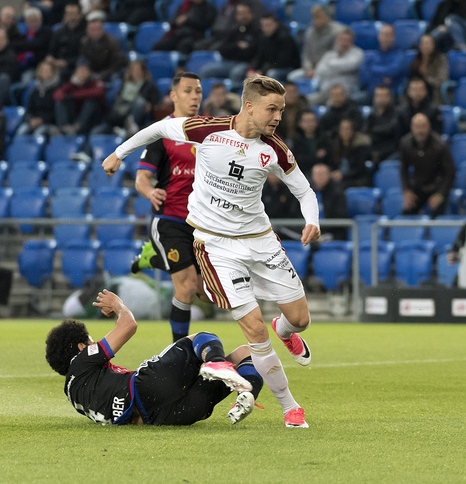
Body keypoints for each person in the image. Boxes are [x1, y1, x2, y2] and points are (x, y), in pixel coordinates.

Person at [103, 75, 321, 429]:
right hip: (217, 246)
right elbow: (158, 128)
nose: (278, 116)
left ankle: (285, 330)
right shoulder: (207, 130)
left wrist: (312, 219)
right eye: (272, 109)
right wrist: (118, 153)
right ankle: (290, 407)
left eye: (281, 109)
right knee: (254, 330)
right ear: (248, 105)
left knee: (300, 319)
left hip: (261, 241)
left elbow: (305, 191)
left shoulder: (275, 148)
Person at [45, 290, 263, 426]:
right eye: (91, 341)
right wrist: (119, 306)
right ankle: (217, 362)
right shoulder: (82, 361)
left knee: (245, 353)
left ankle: (246, 396)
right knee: (201, 338)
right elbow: (128, 326)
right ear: (81, 347)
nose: (95, 345)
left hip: (162, 418)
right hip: (148, 387)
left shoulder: (72, 395)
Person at [130, 72, 204, 342]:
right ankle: (179, 352)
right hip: (170, 220)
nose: (195, 96)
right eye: (188, 91)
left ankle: (156, 259)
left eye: (198, 90)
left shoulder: (208, 130)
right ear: (173, 96)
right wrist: (150, 192)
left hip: (202, 223)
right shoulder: (161, 132)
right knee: (185, 287)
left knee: (206, 293)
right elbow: (141, 178)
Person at [399, 112, 456, 217]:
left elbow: (450, 172)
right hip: (419, 186)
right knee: (406, 213)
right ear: (412, 127)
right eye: (417, 127)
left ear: (429, 127)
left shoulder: (440, 145)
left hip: (438, 186)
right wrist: (406, 190)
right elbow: (403, 169)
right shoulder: (405, 143)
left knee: (438, 214)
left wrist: (440, 194)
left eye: (423, 127)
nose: (420, 131)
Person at [94, 59, 160, 135]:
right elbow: (115, 103)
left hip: (137, 120)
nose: (136, 72)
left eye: (138, 69)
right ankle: (123, 130)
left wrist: (151, 106)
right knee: (95, 132)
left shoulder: (149, 85)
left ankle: (128, 128)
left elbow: (155, 103)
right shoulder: (123, 85)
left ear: (143, 71)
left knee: (140, 102)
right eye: (134, 69)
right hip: (118, 118)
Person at [153, 0, 217, 55]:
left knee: (184, 45)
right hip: (179, 33)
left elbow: (206, 24)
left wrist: (188, 20)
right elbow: (173, 21)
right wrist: (178, 21)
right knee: (159, 46)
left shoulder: (209, 8)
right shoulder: (184, 6)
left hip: (195, 36)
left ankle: (182, 66)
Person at [199, 3, 259, 83]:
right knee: (205, 71)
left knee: (236, 73)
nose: (242, 16)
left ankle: (235, 95)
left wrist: (235, 50)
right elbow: (222, 49)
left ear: (250, 14)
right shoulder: (234, 31)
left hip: (246, 64)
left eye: (244, 13)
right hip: (229, 63)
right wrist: (237, 45)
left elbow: (252, 52)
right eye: (239, 14)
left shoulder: (257, 31)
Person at [288, 5, 343, 85]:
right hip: (311, 70)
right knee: (292, 78)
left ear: (327, 16)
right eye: (315, 17)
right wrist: (308, 68)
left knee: (316, 81)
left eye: (320, 17)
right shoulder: (309, 32)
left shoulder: (337, 31)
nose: (317, 20)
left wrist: (318, 70)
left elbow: (335, 55)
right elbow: (306, 54)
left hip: (328, 70)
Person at [54, 63, 106, 135]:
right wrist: (70, 87)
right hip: (75, 115)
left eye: (84, 70)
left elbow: (99, 92)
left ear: (89, 72)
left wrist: (75, 95)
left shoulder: (95, 81)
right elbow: (57, 95)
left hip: (94, 118)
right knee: (61, 102)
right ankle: (63, 128)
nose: (82, 73)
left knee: (90, 102)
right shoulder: (72, 83)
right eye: (80, 70)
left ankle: (77, 127)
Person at [247, 13, 301, 82]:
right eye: (263, 26)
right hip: (271, 67)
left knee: (271, 74)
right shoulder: (263, 38)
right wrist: (251, 69)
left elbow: (283, 61)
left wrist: (263, 71)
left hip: (289, 68)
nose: (266, 28)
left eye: (268, 25)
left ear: (276, 24)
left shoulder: (284, 37)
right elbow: (259, 56)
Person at [314, 28, 364, 101]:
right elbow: (319, 71)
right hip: (325, 91)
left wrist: (330, 65)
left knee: (332, 103)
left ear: (351, 42)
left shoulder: (357, 53)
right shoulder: (329, 54)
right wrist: (340, 70)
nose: (343, 43)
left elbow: (350, 65)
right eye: (340, 39)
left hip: (345, 93)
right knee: (308, 100)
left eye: (346, 40)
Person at [79, 11, 128, 81]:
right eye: (93, 30)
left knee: (115, 78)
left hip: (110, 71)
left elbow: (116, 64)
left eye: (98, 29)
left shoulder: (112, 42)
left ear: (102, 30)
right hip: (92, 72)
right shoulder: (84, 42)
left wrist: (102, 75)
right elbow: (83, 59)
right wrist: (85, 71)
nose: (96, 32)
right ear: (87, 31)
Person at [16, 61, 60, 136]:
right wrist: (30, 120)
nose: (45, 72)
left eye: (48, 70)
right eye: (43, 70)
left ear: (53, 72)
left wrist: (42, 120)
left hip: (48, 123)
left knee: (38, 133)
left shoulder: (57, 89)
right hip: (33, 121)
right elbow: (29, 109)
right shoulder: (35, 89)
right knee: (21, 131)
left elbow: (56, 112)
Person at [359, 23, 406, 92]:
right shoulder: (371, 56)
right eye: (383, 35)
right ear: (379, 37)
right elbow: (364, 75)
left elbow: (393, 70)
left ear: (393, 37)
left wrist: (374, 71)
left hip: (392, 93)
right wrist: (382, 78)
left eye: (388, 35)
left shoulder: (399, 55)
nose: (386, 38)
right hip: (372, 92)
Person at [45, 2, 86, 81]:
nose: (70, 17)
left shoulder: (84, 32)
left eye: (73, 13)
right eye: (68, 14)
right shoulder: (59, 32)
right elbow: (51, 50)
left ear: (79, 15)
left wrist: (67, 62)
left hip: (75, 65)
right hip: (58, 63)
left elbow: (84, 55)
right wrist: (50, 57)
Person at [328, 118, 373, 188]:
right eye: (342, 129)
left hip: (356, 180)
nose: (345, 132)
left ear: (353, 131)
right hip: (340, 178)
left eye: (347, 129)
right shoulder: (335, 146)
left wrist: (343, 175)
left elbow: (359, 169)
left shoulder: (360, 147)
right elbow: (332, 164)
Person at [309, 162, 349, 240]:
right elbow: (295, 213)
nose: (320, 177)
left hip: (329, 232)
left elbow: (340, 216)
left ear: (329, 175)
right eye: (317, 174)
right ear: (312, 176)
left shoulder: (337, 193)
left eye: (323, 174)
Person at [365, 85, 403, 163]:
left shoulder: (397, 113)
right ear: (374, 97)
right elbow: (366, 132)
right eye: (378, 95)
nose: (381, 98)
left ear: (389, 97)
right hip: (375, 149)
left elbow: (391, 131)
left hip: (392, 150)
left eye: (383, 95)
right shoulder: (372, 115)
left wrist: (374, 130)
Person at [407, 34, 449, 103]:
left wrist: (426, 79)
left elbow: (442, 80)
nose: (426, 46)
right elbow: (411, 77)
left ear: (434, 45)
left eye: (428, 43)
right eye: (423, 43)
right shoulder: (416, 60)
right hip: (415, 91)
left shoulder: (441, 60)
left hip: (434, 90)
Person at [289, 109, 329, 173]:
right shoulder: (295, 141)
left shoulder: (323, 138)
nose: (310, 124)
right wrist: (316, 157)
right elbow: (297, 160)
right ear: (300, 123)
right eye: (307, 121)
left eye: (312, 121)